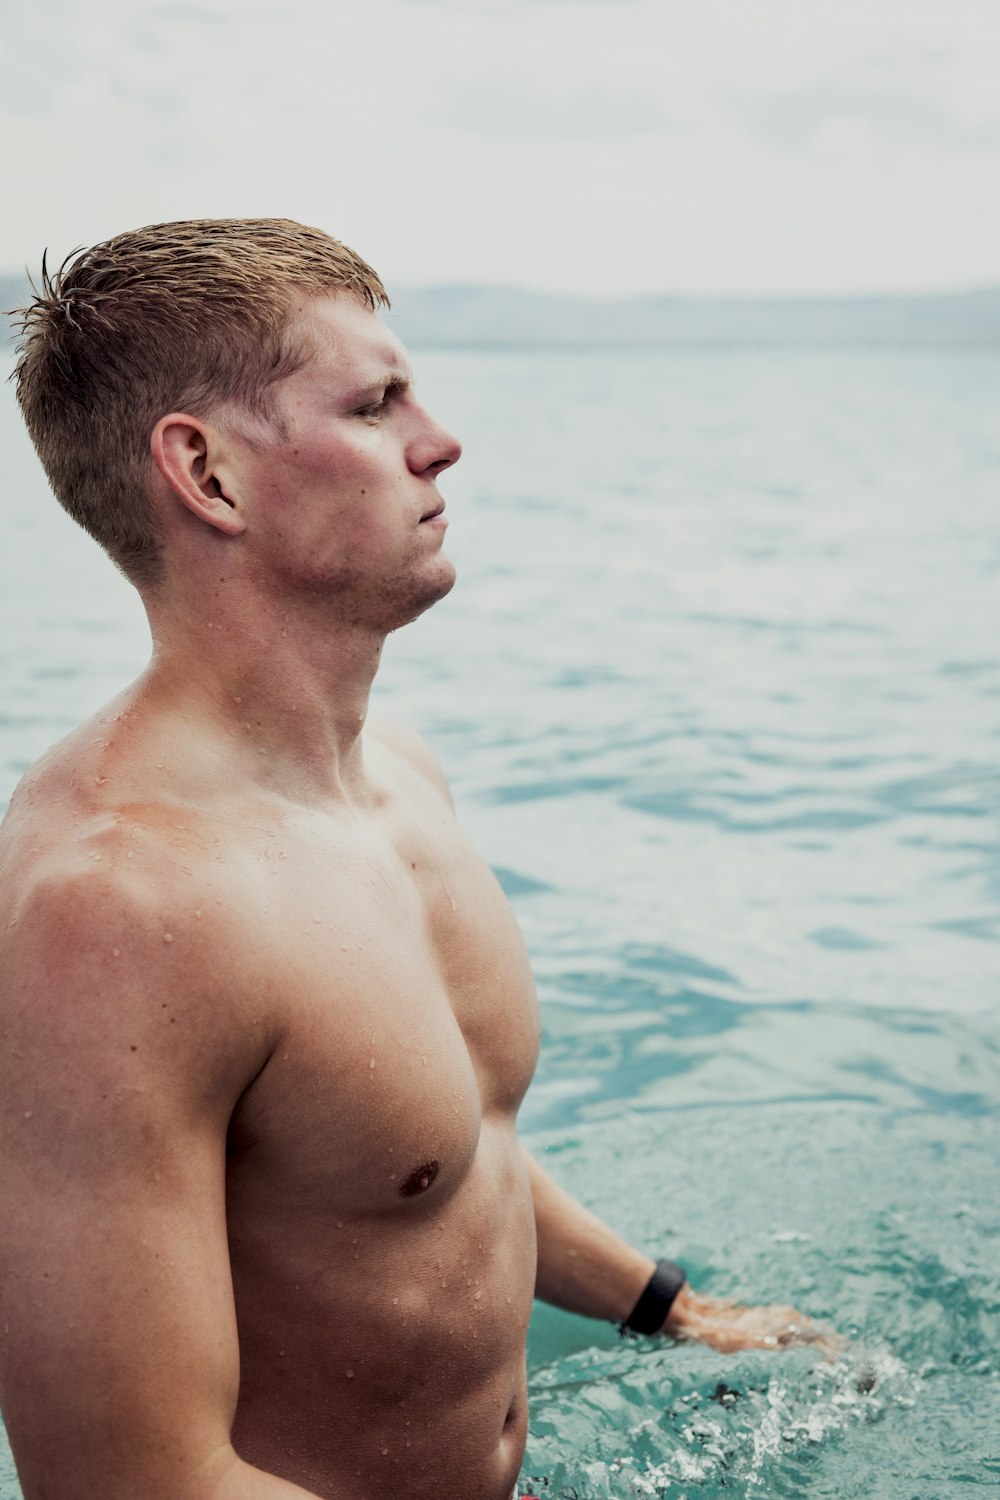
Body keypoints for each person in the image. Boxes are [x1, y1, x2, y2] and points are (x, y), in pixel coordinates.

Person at [0, 219, 830, 1500]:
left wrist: (677, 1310)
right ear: (208, 474)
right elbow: (131, 1480)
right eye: (376, 402)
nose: (439, 439)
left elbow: (436, 1151)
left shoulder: (395, 779)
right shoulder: (119, 909)